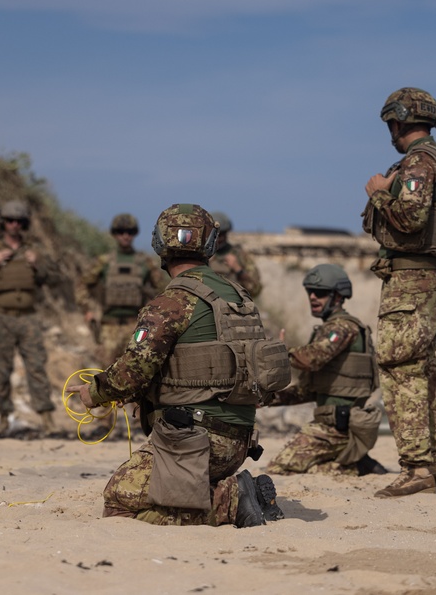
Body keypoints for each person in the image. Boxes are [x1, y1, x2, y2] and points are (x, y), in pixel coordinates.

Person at [66, 204, 289, 527]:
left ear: (160, 245)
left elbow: (133, 371)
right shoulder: (240, 298)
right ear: (210, 245)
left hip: (195, 443)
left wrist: (94, 393)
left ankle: (231, 500)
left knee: (119, 500)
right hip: (240, 442)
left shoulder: (171, 302)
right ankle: (233, 489)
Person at [361, 87, 436, 498]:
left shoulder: (419, 162)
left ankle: (419, 468)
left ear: (397, 121)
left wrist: (378, 192)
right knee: (420, 368)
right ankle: (431, 469)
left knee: (400, 367)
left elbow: (410, 217)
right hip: (429, 278)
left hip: (411, 280)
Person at [265, 264, 387, 477]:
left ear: (339, 296)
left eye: (320, 293)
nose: (313, 297)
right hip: (333, 423)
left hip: (337, 427)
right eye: (310, 292)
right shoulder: (327, 330)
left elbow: (313, 358)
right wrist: (266, 398)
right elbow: (308, 391)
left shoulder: (343, 328)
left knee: (279, 468)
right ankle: (353, 461)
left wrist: (279, 353)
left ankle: (353, 466)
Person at [0, 200, 60, 436]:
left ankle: (46, 418)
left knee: (36, 367)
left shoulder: (33, 251)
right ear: (2, 223)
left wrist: (38, 265)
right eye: (9, 221)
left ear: (24, 224)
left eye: (18, 221)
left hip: (28, 317)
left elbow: (54, 279)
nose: (14, 225)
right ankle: (3, 417)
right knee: (0, 369)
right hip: (0, 317)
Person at [76, 213, 167, 367]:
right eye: (121, 232)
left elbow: (162, 290)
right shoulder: (104, 262)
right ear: (114, 234)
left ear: (135, 234)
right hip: (108, 327)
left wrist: (155, 315)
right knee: (106, 374)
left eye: (130, 232)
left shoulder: (145, 262)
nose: (125, 236)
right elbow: (82, 285)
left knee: (136, 371)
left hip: (135, 326)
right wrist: (87, 311)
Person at [208, 212, 262, 298]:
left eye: (221, 234)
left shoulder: (240, 255)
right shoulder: (203, 256)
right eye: (215, 234)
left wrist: (238, 270)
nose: (218, 238)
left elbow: (256, 289)